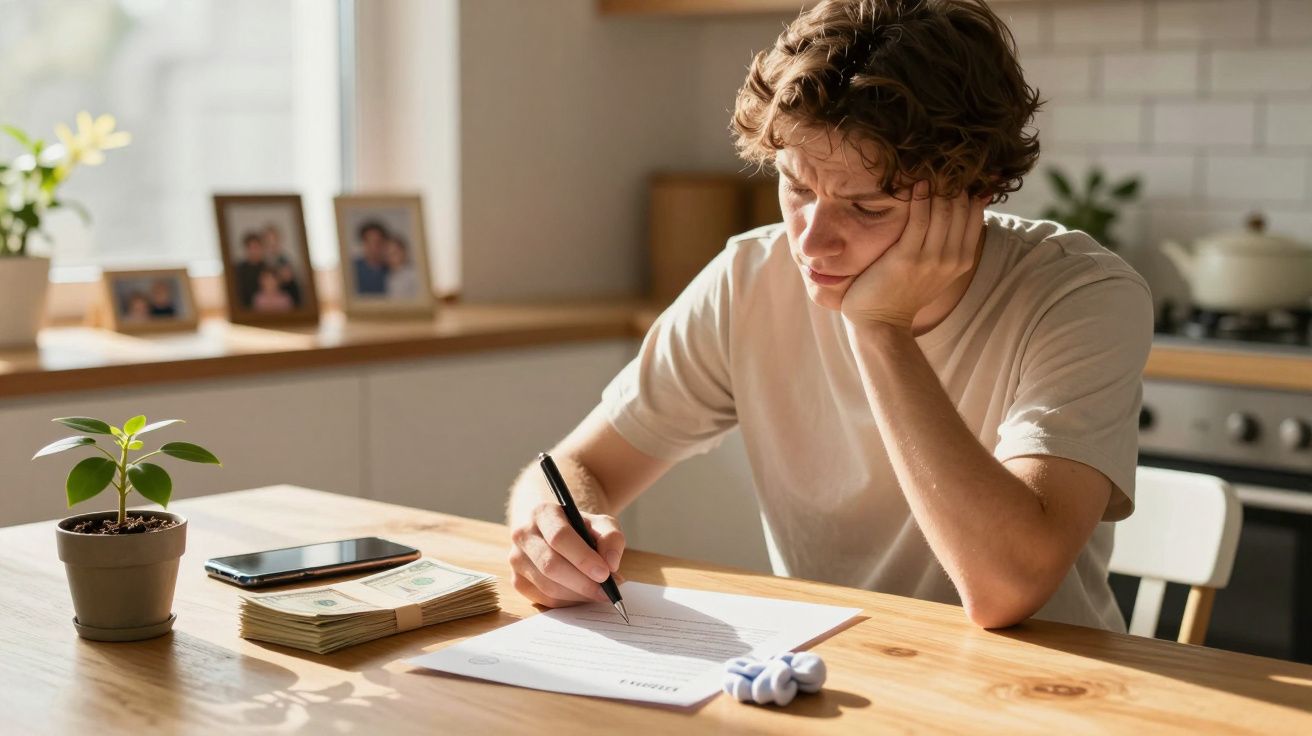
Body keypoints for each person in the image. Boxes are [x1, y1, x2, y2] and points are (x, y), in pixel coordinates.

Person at [504, 0, 1152, 632]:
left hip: (1042, 697)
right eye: (796, 186)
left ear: (973, 191)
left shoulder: (1082, 297)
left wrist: (879, 325)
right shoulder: (748, 279)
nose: (810, 242)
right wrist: (554, 532)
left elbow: (1006, 589)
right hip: (833, 683)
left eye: (867, 208)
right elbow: (569, 471)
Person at [261, 224, 302, 307]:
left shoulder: (285, 260)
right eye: (268, 240)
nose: (272, 244)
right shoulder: (261, 261)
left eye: (274, 240)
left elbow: (290, 281)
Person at [354, 221, 390, 295]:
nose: (373, 247)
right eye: (369, 242)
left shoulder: (392, 269)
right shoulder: (352, 269)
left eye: (378, 242)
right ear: (363, 243)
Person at [234, 232, 266, 309]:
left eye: (256, 247)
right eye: (251, 248)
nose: (254, 251)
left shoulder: (267, 268)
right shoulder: (239, 269)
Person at [384, 234, 420, 299]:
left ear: (404, 251)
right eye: (388, 254)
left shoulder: (414, 275)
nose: (391, 258)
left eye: (394, 253)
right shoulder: (389, 276)